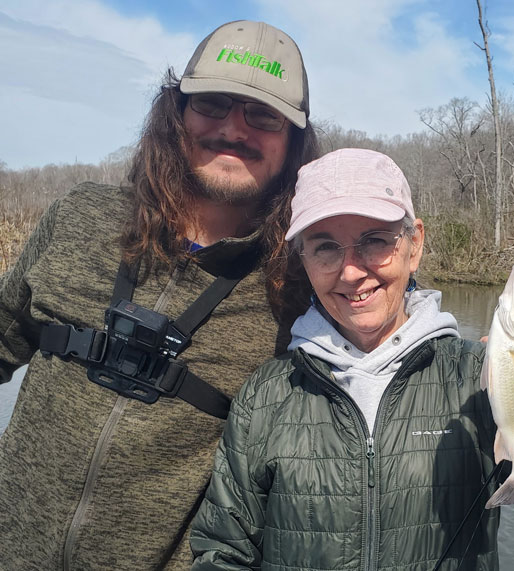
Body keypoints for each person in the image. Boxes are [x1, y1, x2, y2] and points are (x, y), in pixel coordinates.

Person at [189, 148, 514, 569]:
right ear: (304, 259)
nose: (352, 271)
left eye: (375, 240)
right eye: (326, 246)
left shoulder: (474, 377)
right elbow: (223, 551)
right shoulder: (265, 395)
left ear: (414, 245)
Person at [0, 20, 318, 570]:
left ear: (294, 143)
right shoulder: (81, 216)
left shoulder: (299, 287)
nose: (235, 129)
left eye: (264, 115)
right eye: (214, 104)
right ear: (177, 114)